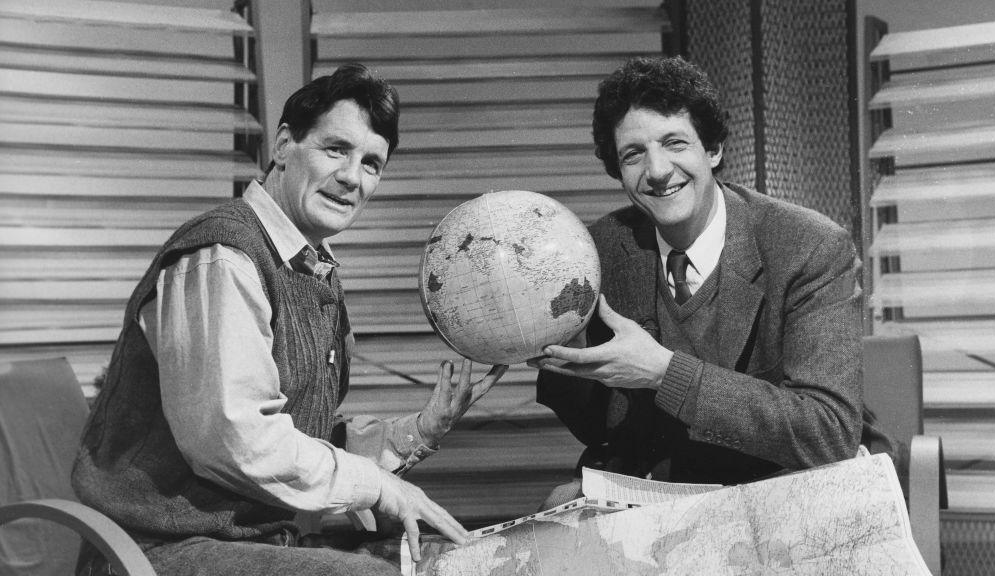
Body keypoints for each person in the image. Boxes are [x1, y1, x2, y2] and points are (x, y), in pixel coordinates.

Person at [72, 63, 506, 576]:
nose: (352, 178)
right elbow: (239, 441)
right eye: (335, 149)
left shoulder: (309, 267)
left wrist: (421, 430)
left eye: (372, 163)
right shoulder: (223, 256)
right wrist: (380, 486)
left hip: (255, 543)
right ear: (282, 145)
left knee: (443, 563)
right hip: (155, 550)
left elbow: (304, 440)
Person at [532, 55, 866, 489]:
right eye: (634, 154)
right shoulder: (600, 251)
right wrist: (557, 353)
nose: (656, 171)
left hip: (776, 497)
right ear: (618, 171)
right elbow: (609, 430)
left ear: (713, 150)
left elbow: (829, 431)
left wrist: (664, 372)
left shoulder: (809, 247)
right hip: (656, 505)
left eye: (675, 143)